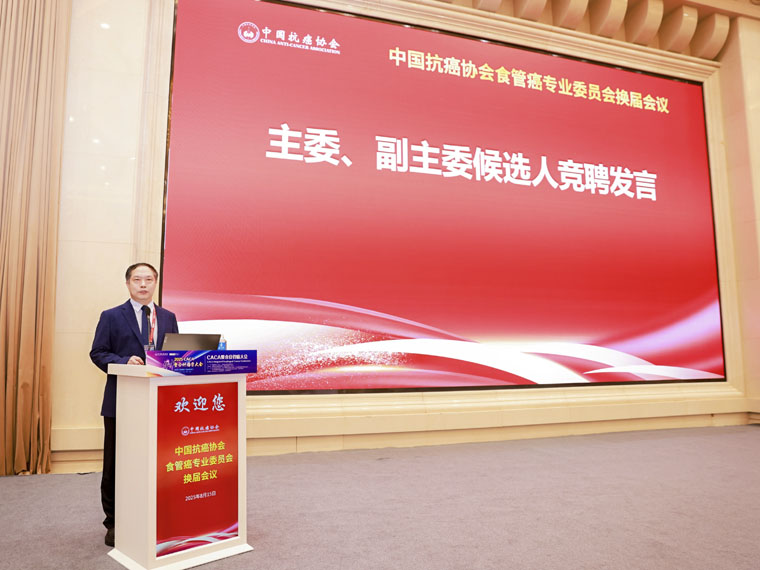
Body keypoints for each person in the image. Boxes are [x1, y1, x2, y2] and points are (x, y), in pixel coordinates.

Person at [89, 263, 179, 547]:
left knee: (157, 461)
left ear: (155, 283)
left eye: (148, 279)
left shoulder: (168, 317)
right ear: (128, 284)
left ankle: (154, 517)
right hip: (122, 401)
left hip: (160, 402)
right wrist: (123, 361)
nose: (143, 284)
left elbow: (177, 355)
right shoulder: (111, 316)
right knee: (116, 464)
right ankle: (114, 522)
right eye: (137, 279)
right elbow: (97, 352)